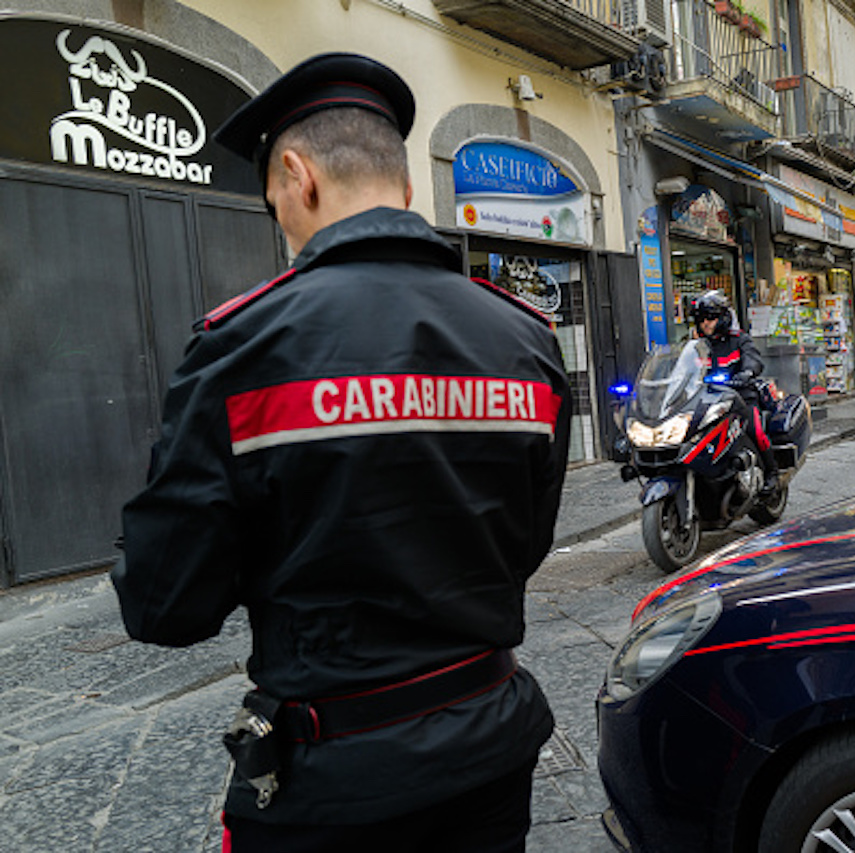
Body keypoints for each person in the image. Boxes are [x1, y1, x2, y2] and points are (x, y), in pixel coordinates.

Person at [111, 53, 571, 853]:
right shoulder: (525, 341)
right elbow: (523, 546)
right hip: (489, 748)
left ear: (298, 178)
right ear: (404, 188)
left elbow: (166, 607)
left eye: (273, 202)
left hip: (332, 778)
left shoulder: (240, 348)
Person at [691, 289, 778, 493]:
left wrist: (747, 372)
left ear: (722, 318)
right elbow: (684, 369)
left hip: (741, 398)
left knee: (754, 430)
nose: (706, 323)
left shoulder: (739, 339)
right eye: (702, 319)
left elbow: (753, 359)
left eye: (711, 318)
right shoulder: (697, 346)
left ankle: (772, 473)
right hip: (708, 402)